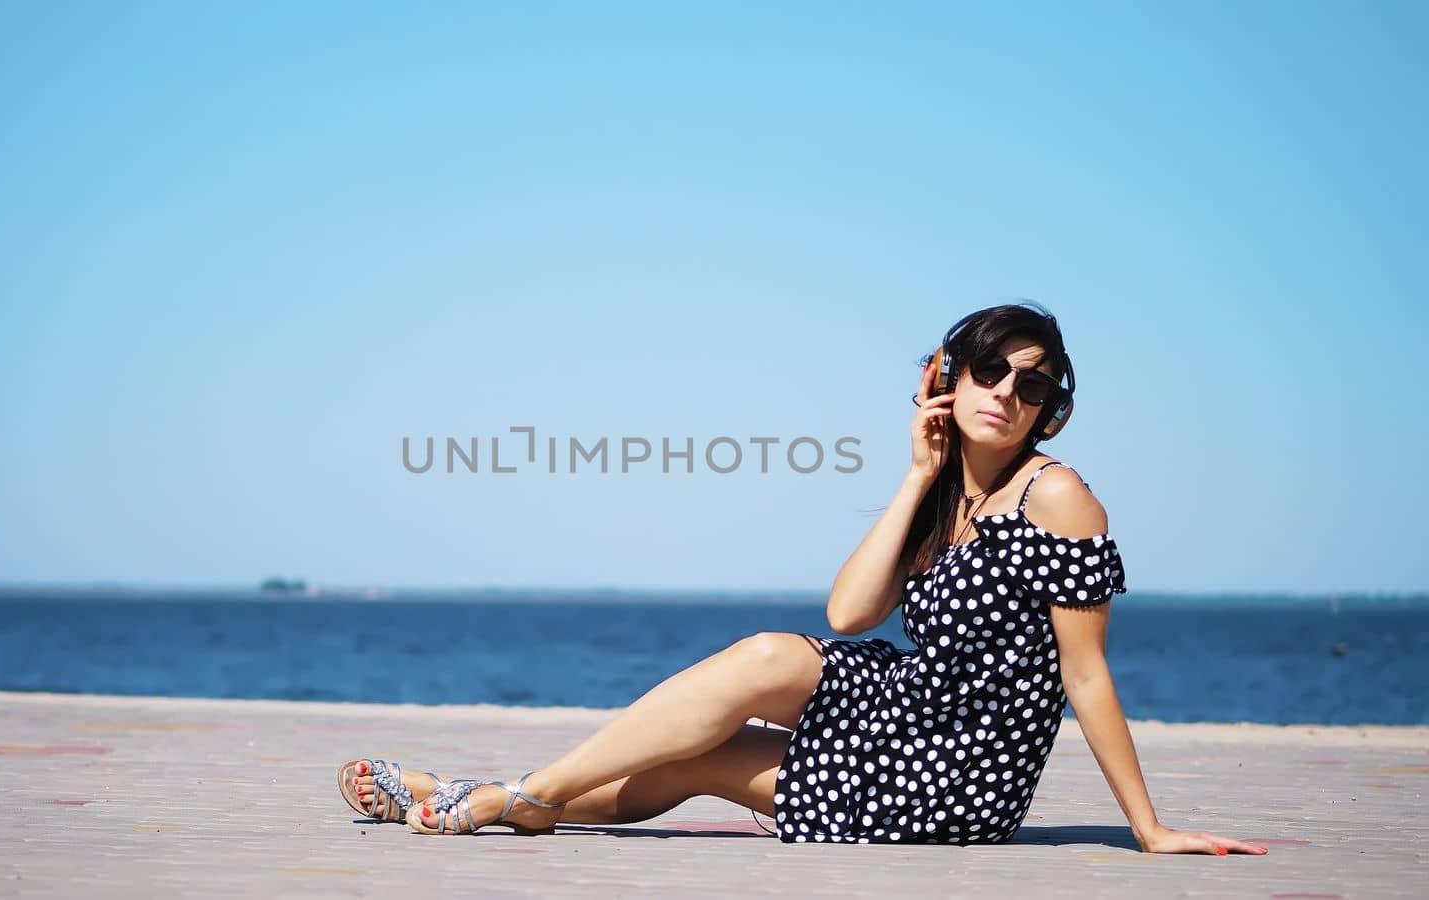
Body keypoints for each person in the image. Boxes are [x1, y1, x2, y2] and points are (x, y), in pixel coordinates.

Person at [337, 301, 1269, 855]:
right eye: (989, 370)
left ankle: (502, 798)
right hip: (906, 705)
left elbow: (1086, 674)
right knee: (769, 654)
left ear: (1052, 412)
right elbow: (851, 613)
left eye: (1034, 387)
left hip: (958, 769)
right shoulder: (943, 495)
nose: (1007, 396)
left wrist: (1147, 828)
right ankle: (509, 798)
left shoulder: (1057, 498)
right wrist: (916, 471)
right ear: (950, 380)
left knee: (701, 755)